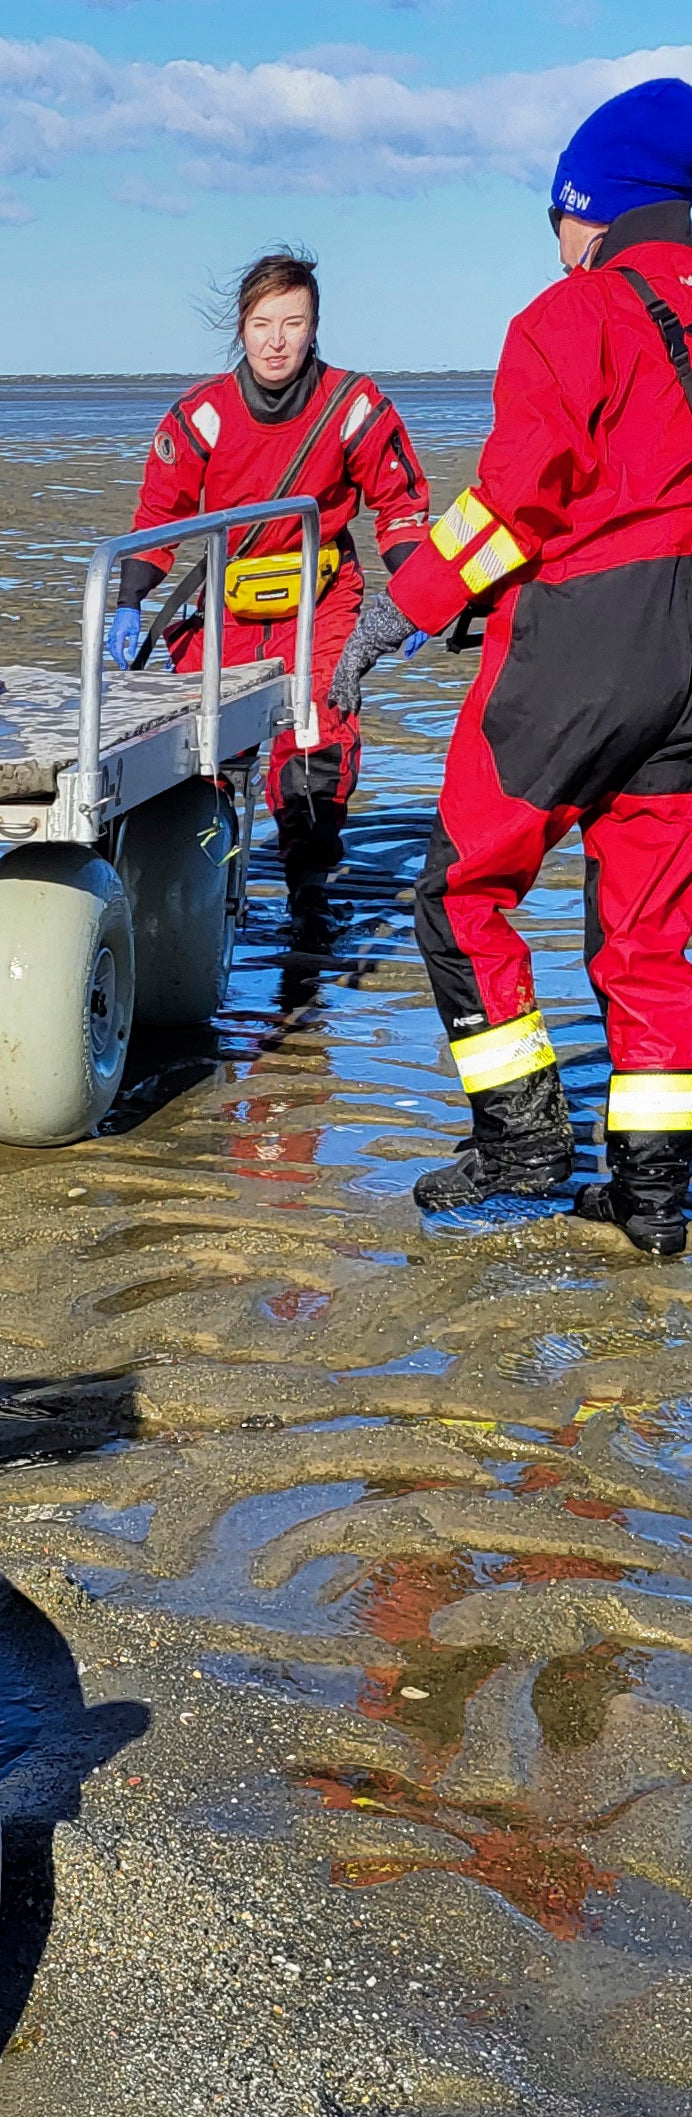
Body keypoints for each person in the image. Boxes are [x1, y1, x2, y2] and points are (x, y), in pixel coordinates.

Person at [329, 79, 692, 1254]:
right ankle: (650, 1197)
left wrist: (405, 605)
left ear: (591, 210)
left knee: (462, 884)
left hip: (584, 636)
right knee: (647, 929)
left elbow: (511, 507)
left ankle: (519, 1140)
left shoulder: (568, 315)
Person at [108, 250, 433, 938]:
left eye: (293, 322)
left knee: (318, 734)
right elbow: (158, 516)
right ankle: (210, 894)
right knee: (205, 757)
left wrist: (416, 593)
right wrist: (130, 600)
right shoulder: (202, 417)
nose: (277, 341)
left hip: (321, 605)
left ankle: (309, 890)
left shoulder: (355, 406)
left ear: (315, 327)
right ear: (241, 328)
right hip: (227, 610)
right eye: (262, 324)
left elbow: (399, 504)